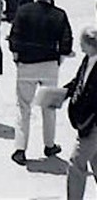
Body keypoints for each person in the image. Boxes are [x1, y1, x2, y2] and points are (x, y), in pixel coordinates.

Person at [9, 0, 73, 166]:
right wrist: (58, 61)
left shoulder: (23, 11)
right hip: (49, 65)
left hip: (26, 65)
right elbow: (66, 43)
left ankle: (20, 149)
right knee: (49, 108)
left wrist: (17, 59)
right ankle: (49, 144)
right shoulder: (60, 15)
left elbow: (14, 39)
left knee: (23, 108)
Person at [61, 25, 97, 200]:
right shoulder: (88, 59)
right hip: (86, 122)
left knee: (76, 164)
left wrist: (88, 123)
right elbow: (79, 81)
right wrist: (63, 93)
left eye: (82, 42)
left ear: (91, 44)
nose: (79, 46)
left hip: (92, 124)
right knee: (96, 160)